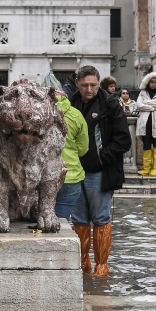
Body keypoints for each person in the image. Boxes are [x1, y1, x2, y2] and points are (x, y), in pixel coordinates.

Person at [68, 65, 132, 277]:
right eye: (85, 85)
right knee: (78, 218)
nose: (89, 89)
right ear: (77, 83)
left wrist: (102, 157)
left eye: (93, 85)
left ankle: (101, 265)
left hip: (100, 172)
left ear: (98, 83)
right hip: (75, 171)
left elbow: (123, 139)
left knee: (101, 217)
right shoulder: (71, 102)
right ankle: (82, 262)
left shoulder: (111, 104)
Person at [46, 73, 89, 221]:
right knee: (61, 222)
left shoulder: (37, 115)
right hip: (71, 176)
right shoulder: (76, 115)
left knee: (41, 221)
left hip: (43, 178)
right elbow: (83, 149)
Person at [136, 72, 156, 177]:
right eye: (151, 82)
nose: (153, 84)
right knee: (146, 144)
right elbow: (139, 105)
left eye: (155, 82)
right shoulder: (142, 93)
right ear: (148, 82)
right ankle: (146, 168)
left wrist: (146, 103)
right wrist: (152, 106)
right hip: (145, 123)